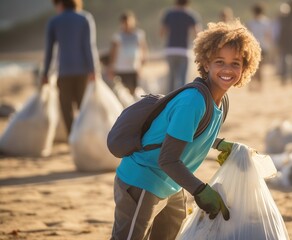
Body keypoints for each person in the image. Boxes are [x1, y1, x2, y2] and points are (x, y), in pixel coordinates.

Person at [110, 19, 261, 240]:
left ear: (245, 67)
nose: (227, 70)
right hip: (144, 180)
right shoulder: (194, 101)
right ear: (206, 63)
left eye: (235, 63)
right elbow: (167, 159)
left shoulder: (221, 100)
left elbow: (192, 132)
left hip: (172, 183)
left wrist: (219, 143)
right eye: (220, 61)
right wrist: (200, 190)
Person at [41, 0, 98, 136]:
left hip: (64, 72)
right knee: (83, 107)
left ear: (60, 4)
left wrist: (45, 73)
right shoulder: (85, 18)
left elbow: (49, 51)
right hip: (83, 72)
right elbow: (89, 47)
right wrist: (93, 70)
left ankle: (72, 136)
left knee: (66, 108)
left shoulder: (54, 21)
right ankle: (82, 137)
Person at [160, 0, 201, 93]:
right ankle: (181, 101)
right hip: (184, 51)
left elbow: (162, 32)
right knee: (182, 80)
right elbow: (197, 34)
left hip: (170, 50)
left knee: (171, 79)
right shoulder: (191, 15)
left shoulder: (168, 14)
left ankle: (168, 101)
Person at [108, 10, 148, 95]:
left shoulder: (139, 34)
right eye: (125, 23)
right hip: (121, 68)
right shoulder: (117, 36)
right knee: (122, 93)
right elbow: (113, 52)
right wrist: (112, 66)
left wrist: (142, 66)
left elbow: (143, 49)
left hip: (134, 68)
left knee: (134, 91)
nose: (127, 25)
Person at [246, 2, 273, 90]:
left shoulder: (250, 22)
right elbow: (268, 35)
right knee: (260, 67)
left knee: (252, 66)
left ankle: (253, 85)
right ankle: (260, 85)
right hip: (263, 47)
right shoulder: (266, 22)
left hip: (252, 47)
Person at [276, 0, 292, 84]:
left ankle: (284, 78)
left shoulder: (284, 17)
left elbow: (281, 30)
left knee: (284, 60)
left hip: (285, 41)